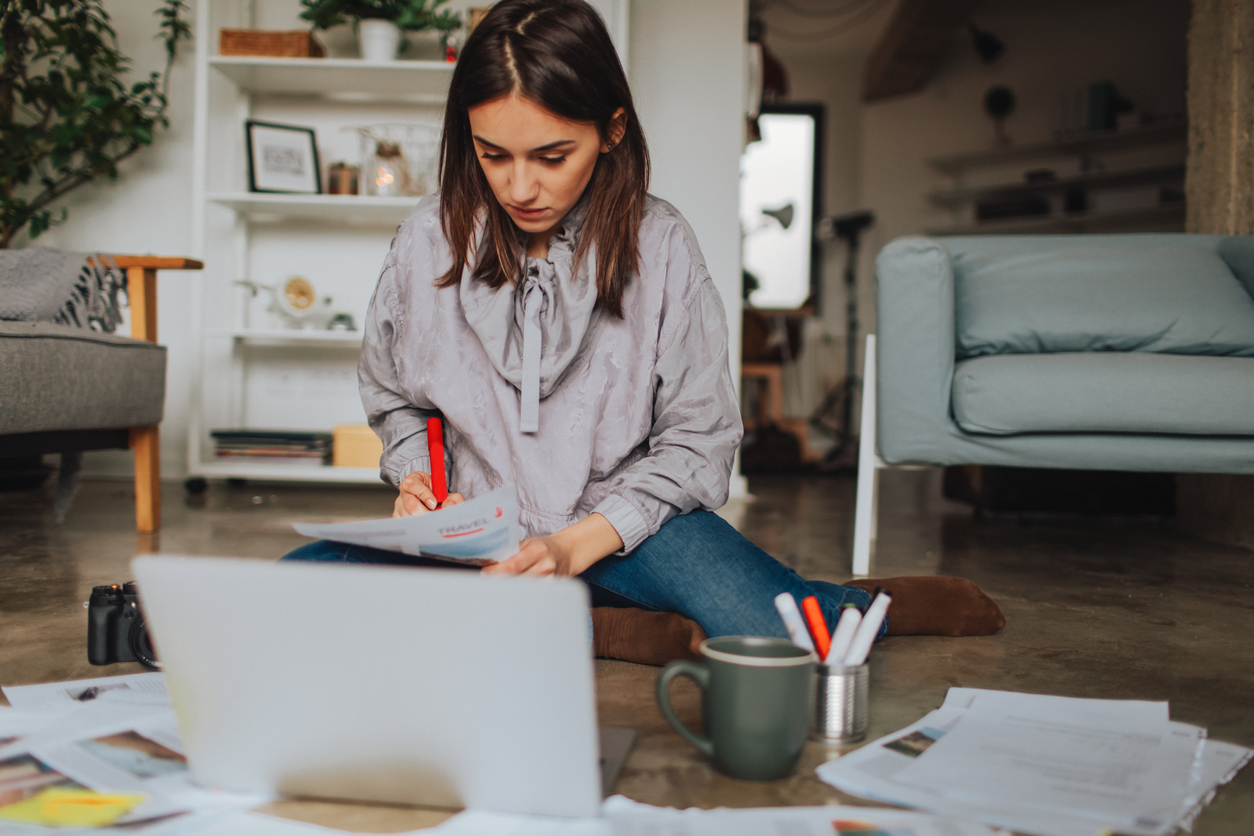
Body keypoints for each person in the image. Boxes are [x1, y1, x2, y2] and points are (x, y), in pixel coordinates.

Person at [282, 0, 1004, 663]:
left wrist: (570, 547)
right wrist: (416, 479)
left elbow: (698, 440)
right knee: (292, 590)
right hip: (473, 537)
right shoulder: (425, 239)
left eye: (552, 155)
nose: (520, 188)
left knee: (783, 636)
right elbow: (395, 397)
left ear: (612, 130)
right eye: (493, 154)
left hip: (624, 531)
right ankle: (620, 621)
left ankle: (844, 600)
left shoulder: (662, 246)